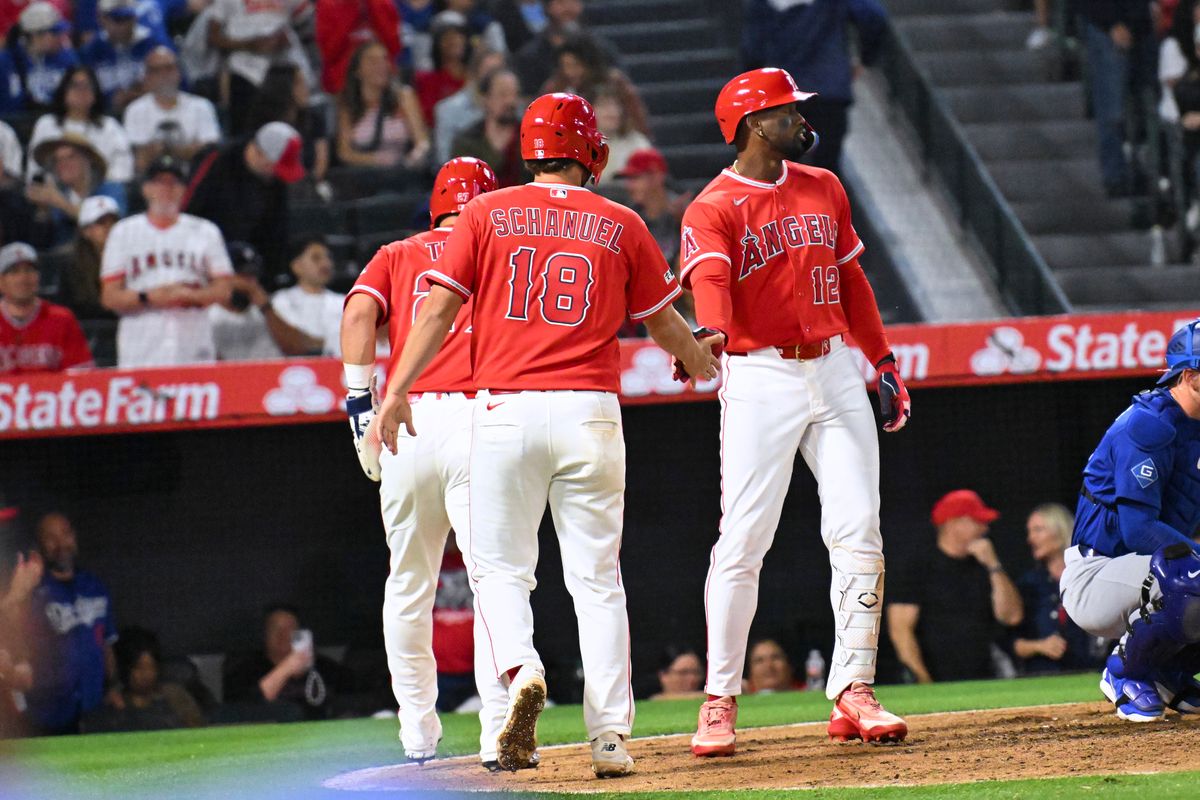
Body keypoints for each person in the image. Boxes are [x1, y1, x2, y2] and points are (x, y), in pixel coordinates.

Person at [375, 92, 720, 777]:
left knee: (500, 572)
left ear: (527, 152)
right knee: (597, 580)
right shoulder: (620, 219)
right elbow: (662, 323)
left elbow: (439, 309)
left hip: (505, 410)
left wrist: (396, 390)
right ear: (592, 152)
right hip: (591, 411)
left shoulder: (485, 211)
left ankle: (521, 670)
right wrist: (699, 358)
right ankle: (610, 737)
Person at [682, 67, 910, 756]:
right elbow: (711, 279)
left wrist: (884, 360)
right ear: (754, 125)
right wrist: (711, 330)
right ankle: (719, 700)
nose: (800, 121)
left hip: (835, 366)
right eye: (787, 112)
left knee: (858, 530)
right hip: (760, 376)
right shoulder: (713, 205)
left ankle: (854, 690)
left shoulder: (824, 186)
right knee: (744, 539)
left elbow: (851, 279)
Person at [341, 157, 513, 767]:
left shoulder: (398, 251)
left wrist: (359, 398)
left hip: (406, 419)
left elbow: (359, 314)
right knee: (495, 581)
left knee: (408, 584)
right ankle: (499, 729)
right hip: (480, 416)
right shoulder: (499, 243)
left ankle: (417, 736)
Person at [1060, 319, 1200, 722]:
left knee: (1188, 570)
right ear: (1190, 376)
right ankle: (1124, 671)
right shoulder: (1149, 424)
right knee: (1190, 572)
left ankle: (1166, 672)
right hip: (1095, 575)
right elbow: (1137, 529)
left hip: (1154, 572)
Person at [100, 155, 233, 367]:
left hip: (192, 341)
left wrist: (190, 295)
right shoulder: (123, 232)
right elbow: (109, 297)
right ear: (145, 189)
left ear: (184, 190)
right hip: (141, 346)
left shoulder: (206, 231)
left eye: (174, 182)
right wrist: (149, 296)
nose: (167, 188)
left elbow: (225, 290)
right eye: (159, 181)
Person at [887, 490, 1023, 684]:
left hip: (986, 679)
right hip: (938, 679)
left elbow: (1012, 617)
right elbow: (900, 629)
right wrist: (923, 680)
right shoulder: (917, 567)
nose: (984, 528)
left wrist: (993, 566)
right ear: (954, 523)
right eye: (977, 521)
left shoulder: (985, 566)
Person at [741, 0, 887, 174]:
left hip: (784, 94)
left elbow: (753, 48)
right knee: (827, 168)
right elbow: (873, 16)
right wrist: (866, 58)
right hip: (829, 90)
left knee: (781, 172)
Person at [15, 513, 118, 735]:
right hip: (47, 714)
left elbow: (106, 642)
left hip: (93, 708)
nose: (61, 543)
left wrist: (114, 686)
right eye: (51, 538)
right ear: (39, 544)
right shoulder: (31, 590)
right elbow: (15, 642)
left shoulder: (94, 585)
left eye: (66, 534)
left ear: (74, 537)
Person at [183, 121, 305, 282]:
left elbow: (277, 232)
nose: (277, 175)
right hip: (202, 257)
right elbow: (187, 208)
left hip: (249, 264)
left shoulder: (275, 180)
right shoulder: (217, 159)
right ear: (259, 153)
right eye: (274, 167)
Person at [1013, 503, 1107, 675]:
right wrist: (1039, 646)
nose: (1030, 538)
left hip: (1091, 674)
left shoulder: (1091, 576)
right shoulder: (1028, 585)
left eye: (1038, 530)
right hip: (1042, 677)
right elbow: (1011, 642)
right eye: (1029, 531)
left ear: (1060, 530)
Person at [1080, 0, 1157, 196]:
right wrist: (1112, 22)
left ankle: (1142, 172)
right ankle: (1115, 176)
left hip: (1143, 26)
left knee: (1146, 107)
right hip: (1108, 29)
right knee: (1113, 110)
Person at [223, 604, 352, 721]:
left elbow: (354, 699)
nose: (283, 634)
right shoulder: (245, 669)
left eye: (290, 628)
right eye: (275, 628)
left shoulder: (325, 667)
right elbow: (241, 710)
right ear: (264, 634)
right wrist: (287, 667)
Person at [207, 0, 312, 135]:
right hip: (243, 70)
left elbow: (306, 24)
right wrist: (250, 44)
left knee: (285, 130)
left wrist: (287, 38)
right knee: (245, 133)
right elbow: (213, 37)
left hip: (280, 69)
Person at [208, 241, 318, 360]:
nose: (248, 282)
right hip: (232, 377)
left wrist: (265, 306)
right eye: (241, 275)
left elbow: (300, 349)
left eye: (252, 274)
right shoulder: (209, 314)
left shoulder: (276, 305)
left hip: (272, 375)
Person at [27, 65, 135, 185]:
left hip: (102, 191)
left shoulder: (109, 126)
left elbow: (124, 167)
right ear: (64, 91)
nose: (81, 91)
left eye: (88, 86)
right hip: (56, 191)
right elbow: (34, 169)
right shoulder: (46, 124)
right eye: (75, 86)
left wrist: (96, 187)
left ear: (95, 93)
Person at [82, 627, 205, 732]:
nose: (146, 674)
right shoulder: (112, 701)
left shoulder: (174, 696)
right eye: (139, 668)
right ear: (126, 668)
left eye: (151, 667)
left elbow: (197, 730)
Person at [122, 46, 222, 175]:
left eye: (169, 68)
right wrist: (186, 150)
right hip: (152, 180)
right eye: (156, 70)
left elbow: (209, 152)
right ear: (146, 76)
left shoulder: (201, 106)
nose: (164, 75)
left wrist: (163, 149)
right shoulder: (135, 110)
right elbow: (140, 160)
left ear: (179, 72)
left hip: (194, 177)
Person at [335, 41, 431, 170]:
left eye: (384, 59)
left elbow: (422, 142)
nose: (381, 65)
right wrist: (377, 159)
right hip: (362, 174)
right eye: (372, 61)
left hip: (400, 173)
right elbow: (344, 153)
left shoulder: (403, 97)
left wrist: (413, 159)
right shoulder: (347, 103)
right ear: (357, 70)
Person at [0, 241, 93, 373]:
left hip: (53, 393)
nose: (23, 278)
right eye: (14, 272)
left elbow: (81, 374)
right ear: (1, 281)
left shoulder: (61, 319)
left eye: (29, 270)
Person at [539, 34, 647, 136]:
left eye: (575, 65)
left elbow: (637, 121)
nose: (570, 72)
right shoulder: (554, 89)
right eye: (565, 66)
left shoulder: (615, 82)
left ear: (590, 64)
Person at [26, 134, 120, 248]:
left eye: (71, 157)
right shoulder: (55, 197)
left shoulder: (110, 189)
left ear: (88, 160)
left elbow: (112, 227)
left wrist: (61, 203)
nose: (63, 164)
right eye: (57, 160)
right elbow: (44, 245)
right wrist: (43, 211)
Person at [78, 0, 169, 113]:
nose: (124, 26)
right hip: (105, 116)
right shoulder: (92, 50)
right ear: (102, 19)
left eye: (128, 18)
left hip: (151, 111)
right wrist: (110, 99)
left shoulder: (153, 45)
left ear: (135, 17)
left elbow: (178, 86)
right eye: (118, 20)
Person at [512, 0, 618, 95]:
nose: (568, 8)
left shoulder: (602, 50)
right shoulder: (529, 57)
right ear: (548, 7)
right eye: (561, 2)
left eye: (573, 1)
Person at [449, 67, 526, 186]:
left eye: (515, 94)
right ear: (485, 99)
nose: (511, 101)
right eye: (503, 95)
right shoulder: (466, 141)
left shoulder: (530, 137)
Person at [433, 49, 509, 165]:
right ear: (474, 74)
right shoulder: (448, 110)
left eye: (500, 71)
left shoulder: (512, 108)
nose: (496, 77)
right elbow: (445, 161)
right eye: (490, 72)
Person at [271, 237, 343, 356]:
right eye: (316, 258)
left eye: (328, 257)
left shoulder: (344, 301)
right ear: (297, 266)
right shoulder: (281, 301)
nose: (326, 264)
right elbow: (292, 341)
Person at [0, 2, 78, 112]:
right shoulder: (7, 62)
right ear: (36, 36)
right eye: (55, 33)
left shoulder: (67, 58)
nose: (61, 38)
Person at [314, 0, 401, 94]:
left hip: (383, 81)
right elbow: (329, 52)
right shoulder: (327, 4)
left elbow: (394, 46)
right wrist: (351, 9)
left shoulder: (380, 3)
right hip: (346, 85)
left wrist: (371, 5)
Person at [617, 148, 684, 265]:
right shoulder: (629, 217)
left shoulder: (683, 212)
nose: (629, 186)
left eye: (635, 178)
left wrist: (682, 222)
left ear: (657, 176)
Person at [61, 194, 120, 319]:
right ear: (85, 231)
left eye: (113, 222)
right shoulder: (72, 268)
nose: (109, 228)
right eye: (101, 223)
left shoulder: (131, 258)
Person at [414, 12, 472, 125]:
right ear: (437, 43)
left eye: (458, 35)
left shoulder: (476, 76)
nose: (454, 40)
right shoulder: (427, 79)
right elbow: (429, 116)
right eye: (447, 36)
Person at [593, 90, 649, 178]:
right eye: (604, 105)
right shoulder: (578, 145)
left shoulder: (637, 143)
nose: (612, 111)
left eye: (617, 105)